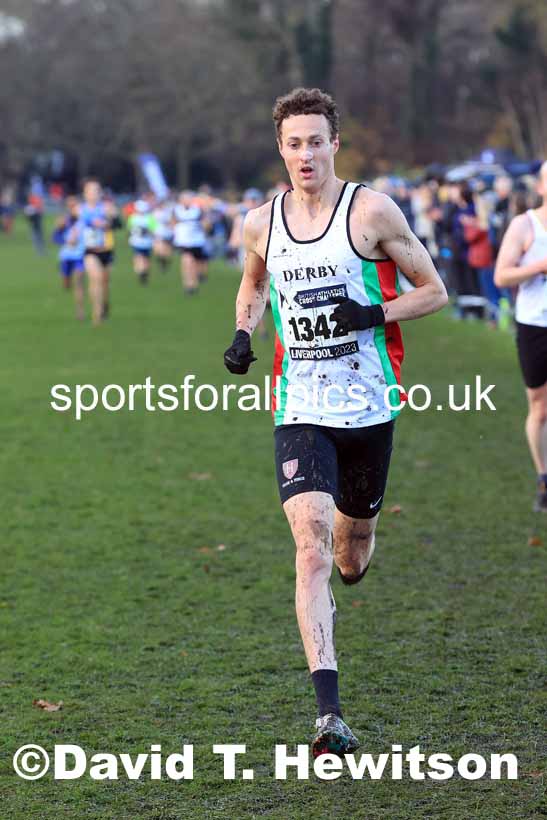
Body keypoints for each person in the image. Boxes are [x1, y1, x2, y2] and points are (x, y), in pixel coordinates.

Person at [223, 87, 447, 757]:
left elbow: (432, 290)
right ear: (280, 149)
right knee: (312, 550)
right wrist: (242, 331)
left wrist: (372, 315)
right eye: (292, 143)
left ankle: (362, 537)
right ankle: (328, 717)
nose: (304, 154)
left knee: (350, 555)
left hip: (369, 404)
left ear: (333, 144)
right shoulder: (259, 222)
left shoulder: (371, 210)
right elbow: (254, 283)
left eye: (314, 141)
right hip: (300, 405)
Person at [494, 162, 547, 512]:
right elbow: (501, 276)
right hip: (535, 325)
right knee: (540, 406)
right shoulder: (525, 225)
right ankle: (544, 478)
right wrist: (539, 266)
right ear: (541, 187)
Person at [51, 195, 85, 319]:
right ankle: (66, 282)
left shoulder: (85, 220)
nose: (73, 208)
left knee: (79, 283)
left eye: (75, 205)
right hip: (66, 257)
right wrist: (66, 241)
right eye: (70, 206)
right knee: (66, 283)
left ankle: (79, 311)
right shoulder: (64, 221)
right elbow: (55, 238)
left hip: (80, 256)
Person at [172, 191, 208, 294]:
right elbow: (173, 222)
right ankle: (188, 284)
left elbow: (206, 223)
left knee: (196, 264)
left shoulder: (198, 210)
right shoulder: (176, 210)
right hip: (183, 241)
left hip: (197, 241)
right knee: (186, 261)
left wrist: (203, 227)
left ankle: (194, 282)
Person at [128, 198, 156, 284]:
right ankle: (140, 272)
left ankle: (144, 272)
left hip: (147, 243)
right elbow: (130, 229)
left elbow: (154, 229)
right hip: (136, 242)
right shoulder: (133, 218)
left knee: (146, 259)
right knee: (138, 257)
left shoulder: (149, 218)